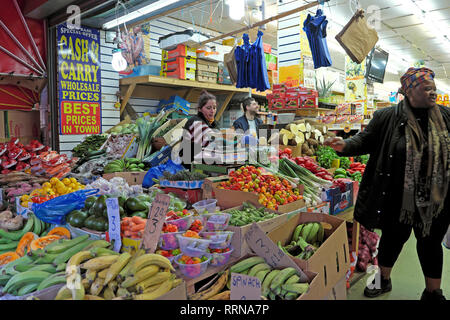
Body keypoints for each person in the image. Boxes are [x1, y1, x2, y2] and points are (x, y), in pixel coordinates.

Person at [324, 67, 450, 301]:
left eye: (434, 87)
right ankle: (383, 279)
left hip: (434, 200)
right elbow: (365, 140)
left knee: (430, 244)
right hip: (395, 197)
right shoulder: (387, 117)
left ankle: (433, 292)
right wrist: (345, 145)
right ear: (409, 91)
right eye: (426, 88)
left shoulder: (446, 117)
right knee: (392, 240)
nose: (432, 92)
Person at [180, 90, 219, 168]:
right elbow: (211, 141)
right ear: (199, 109)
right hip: (189, 167)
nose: (212, 111)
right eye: (208, 108)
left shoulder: (214, 124)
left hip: (205, 165)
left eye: (214, 108)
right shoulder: (195, 122)